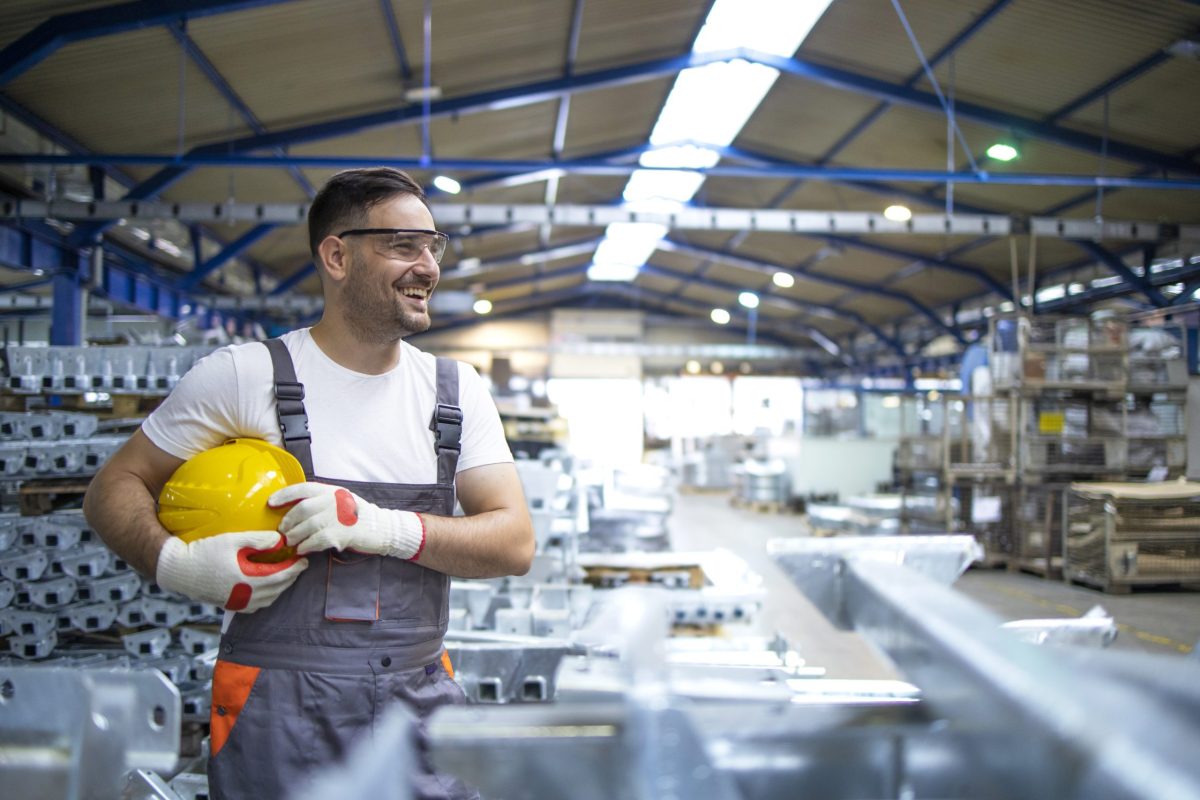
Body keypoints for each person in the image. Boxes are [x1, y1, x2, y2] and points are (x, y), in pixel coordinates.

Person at [83, 167, 535, 800]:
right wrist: (175, 564)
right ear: (336, 255)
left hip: (417, 697)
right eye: (403, 245)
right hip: (275, 705)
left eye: (433, 246)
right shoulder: (246, 376)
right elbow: (114, 486)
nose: (428, 265)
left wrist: (381, 528)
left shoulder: (454, 393)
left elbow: (514, 542)